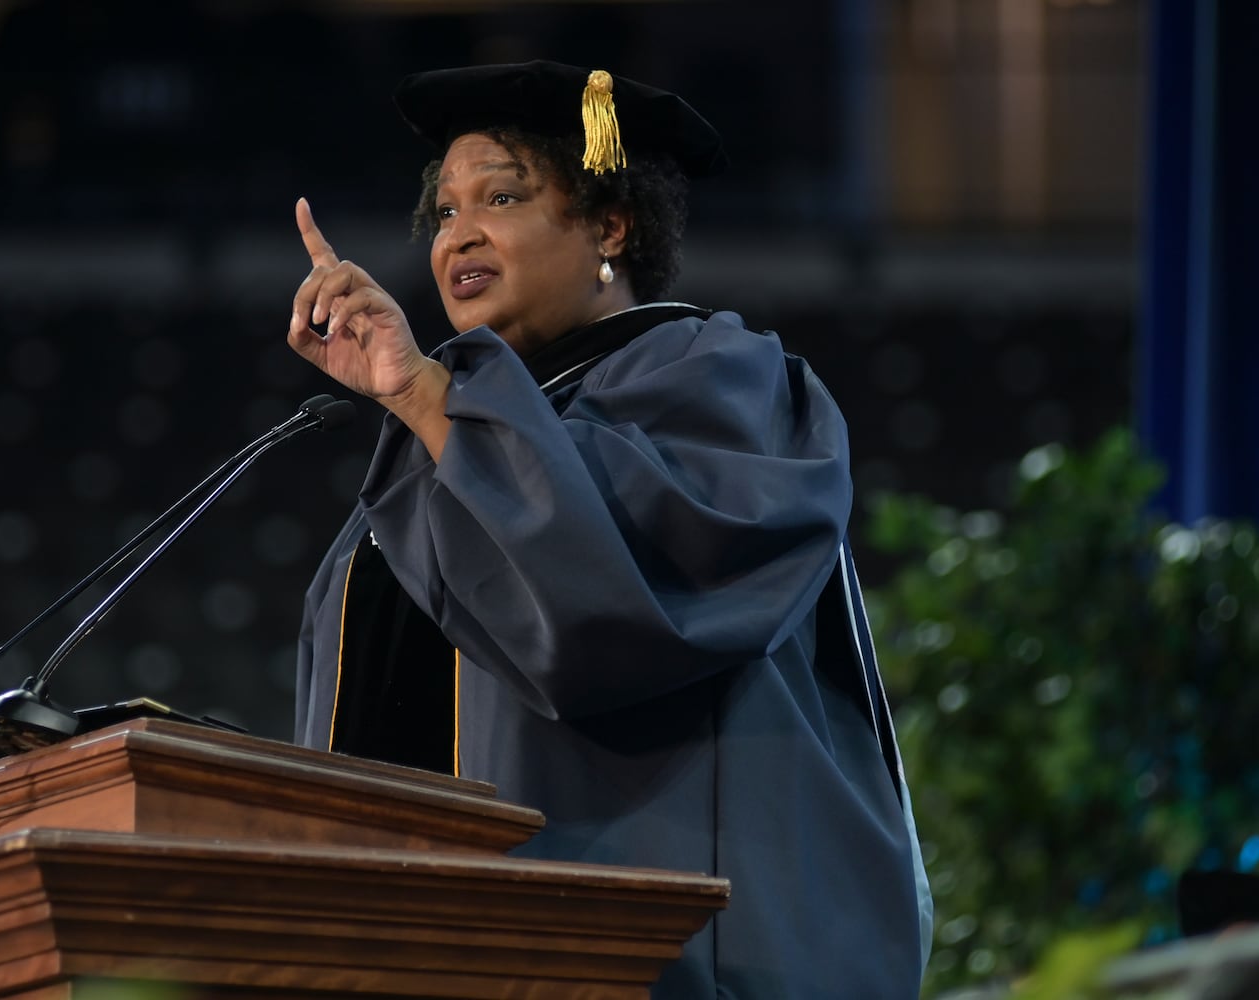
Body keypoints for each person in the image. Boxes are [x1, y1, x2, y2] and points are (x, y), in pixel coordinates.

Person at [285, 59, 932, 998]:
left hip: (666, 954)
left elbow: (608, 610)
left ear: (608, 226)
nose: (457, 234)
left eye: (499, 197)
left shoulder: (721, 379)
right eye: (444, 212)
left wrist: (429, 397)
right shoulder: (438, 444)